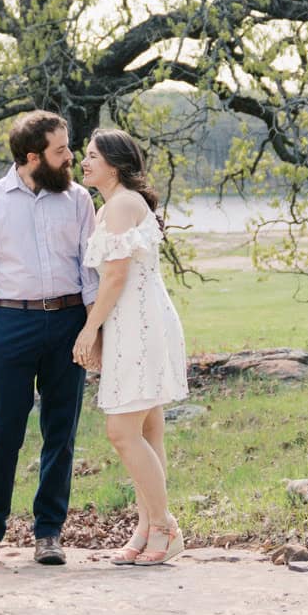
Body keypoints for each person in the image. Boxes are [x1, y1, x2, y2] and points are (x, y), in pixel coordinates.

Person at [0, 110, 99, 567]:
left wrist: (90, 330)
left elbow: (90, 270)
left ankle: (49, 533)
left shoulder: (78, 201)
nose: (70, 157)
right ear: (33, 157)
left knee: (61, 431)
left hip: (67, 321)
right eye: (61, 151)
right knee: (3, 432)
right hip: (10, 326)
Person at [72, 127, 189, 566]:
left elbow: (117, 276)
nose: (84, 162)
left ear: (115, 164)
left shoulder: (121, 204)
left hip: (138, 326)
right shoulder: (115, 206)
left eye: (91, 156)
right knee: (146, 430)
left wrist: (89, 330)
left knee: (122, 432)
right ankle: (145, 527)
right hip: (137, 323)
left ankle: (164, 525)